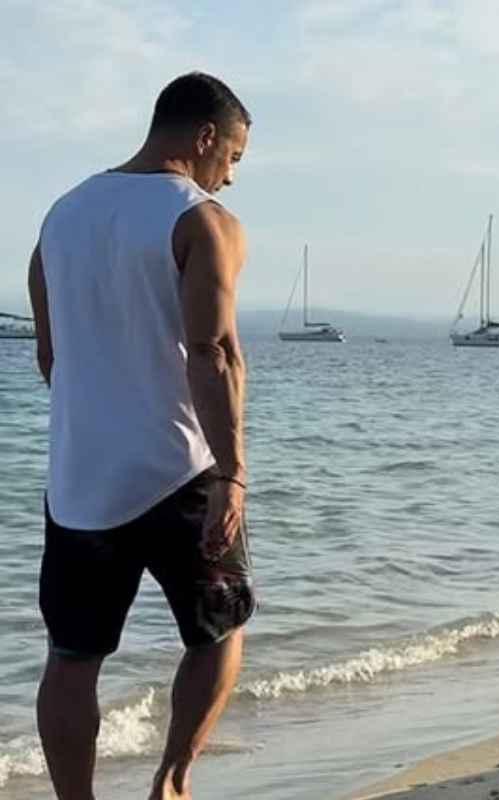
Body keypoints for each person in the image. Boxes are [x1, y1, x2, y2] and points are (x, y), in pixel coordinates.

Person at [26, 72, 254, 800]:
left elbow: (51, 358)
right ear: (206, 137)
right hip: (178, 470)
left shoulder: (61, 216)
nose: (231, 176)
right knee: (221, 630)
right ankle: (172, 781)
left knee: (71, 657)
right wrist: (232, 472)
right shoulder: (203, 220)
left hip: (79, 482)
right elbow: (212, 354)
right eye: (233, 157)